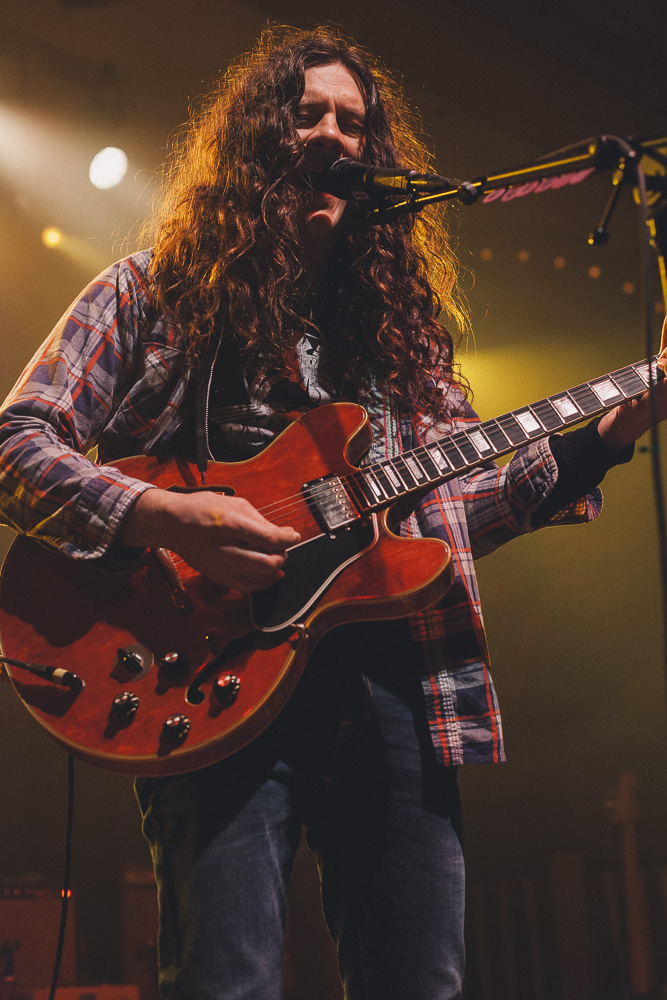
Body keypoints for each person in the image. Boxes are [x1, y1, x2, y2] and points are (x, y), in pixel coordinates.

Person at [0, 26, 664, 1000]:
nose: (333, 137)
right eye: (306, 113)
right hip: (205, 671)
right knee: (225, 980)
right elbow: (17, 444)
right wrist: (170, 520)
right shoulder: (149, 292)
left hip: (390, 683)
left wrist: (599, 434)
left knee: (418, 981)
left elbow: (455, 514)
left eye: (354, 123)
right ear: (253, 144)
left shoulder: (402, 338)